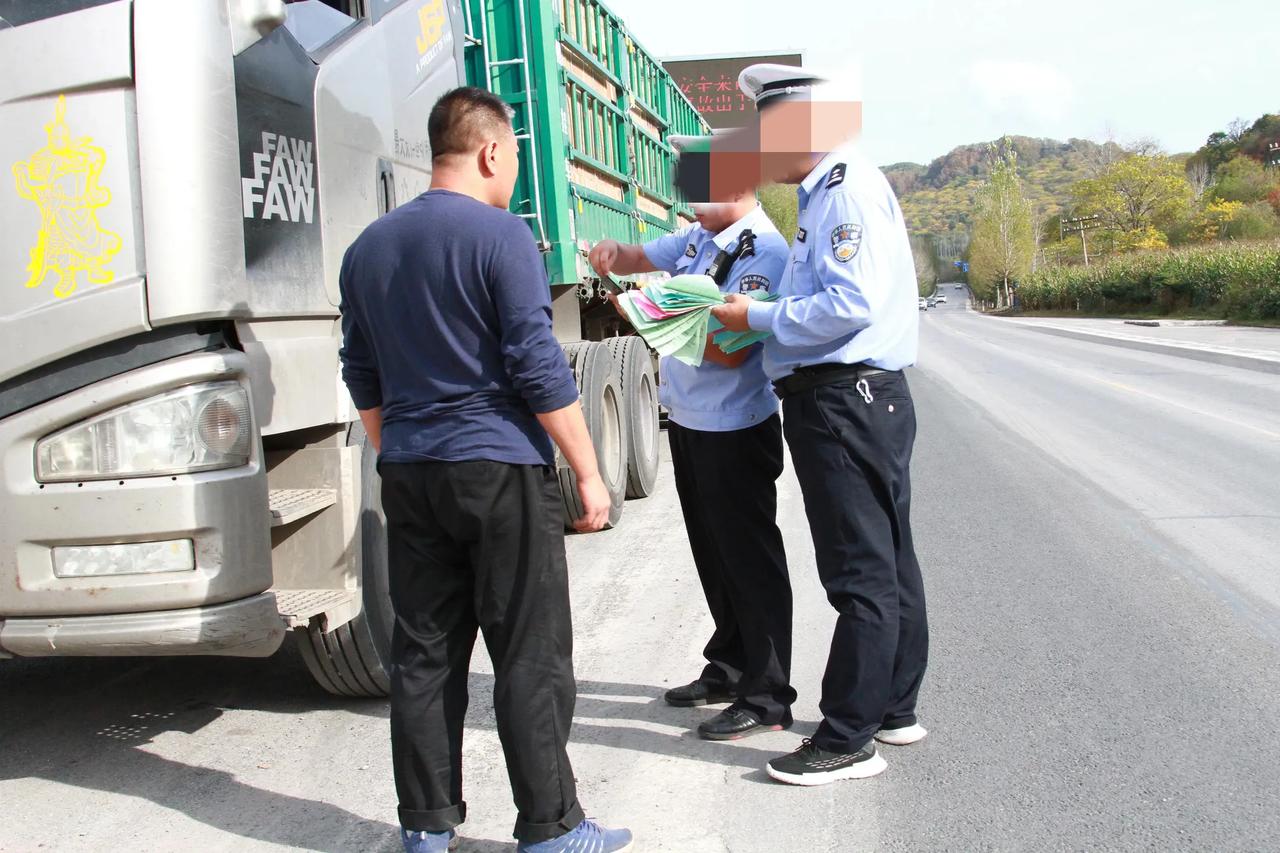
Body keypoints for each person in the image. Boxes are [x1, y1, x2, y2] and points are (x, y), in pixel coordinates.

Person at [338, 86, 632, 853]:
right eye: (514, 158)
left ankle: (426, 830)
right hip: (499, 471)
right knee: (529, 653)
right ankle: (553, 827)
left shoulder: (367, 249)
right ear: (491, 150)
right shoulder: (501, 238)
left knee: (425, 655)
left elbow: (361, 371)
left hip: (410, 471)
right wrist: (588, 470)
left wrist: (393, 446)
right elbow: (536, 366)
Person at [711, 65, 930, 786]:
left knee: (858, 571)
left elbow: (848, 305)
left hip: (842, 399)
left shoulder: (841, 193)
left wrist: (758, 317)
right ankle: (892, 707)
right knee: (888, 559)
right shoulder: (831, 190)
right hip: (862, 397)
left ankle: (847, 735)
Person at [589, 191, 795, 740]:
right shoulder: (702, 235)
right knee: (714, 555)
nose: (691, 203)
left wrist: (648, 315)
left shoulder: (765, 254)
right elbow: (638, 256)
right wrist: (613, 254)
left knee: (751, 562)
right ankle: (729, 666)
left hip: (735, 425)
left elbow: (730, 349)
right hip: (690, 419)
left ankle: (768, 694)